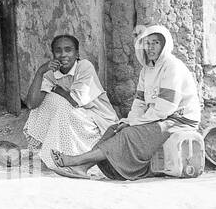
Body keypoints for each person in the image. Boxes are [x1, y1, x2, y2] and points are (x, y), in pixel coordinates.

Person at [51, 24, 200, 180]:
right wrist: (130, 120)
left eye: (156, 42)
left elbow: (165, 108)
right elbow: (140, 102)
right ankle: (82, 168)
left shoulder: (172, 67)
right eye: (147, 43)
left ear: (165, 44)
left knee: (128, 133)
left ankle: (75, 160)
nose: (150, 47)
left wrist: (134, 123)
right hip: (160, 118)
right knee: (114, 129)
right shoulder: (147, 69)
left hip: (178, 120)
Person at [23, 34, 118, 171]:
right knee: (47, 101)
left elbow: (74, 101)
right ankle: (51, 153)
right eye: (58, 51)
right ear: (53, 54)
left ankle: (69, 156)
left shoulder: (84, 66)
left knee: (61, 104)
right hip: (72, 116)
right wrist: (40, 72)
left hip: (98, 120)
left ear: (77, 53)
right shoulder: (50, 72)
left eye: (68, 50)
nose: (63, 55)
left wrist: (55, 88)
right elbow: (32, 104)